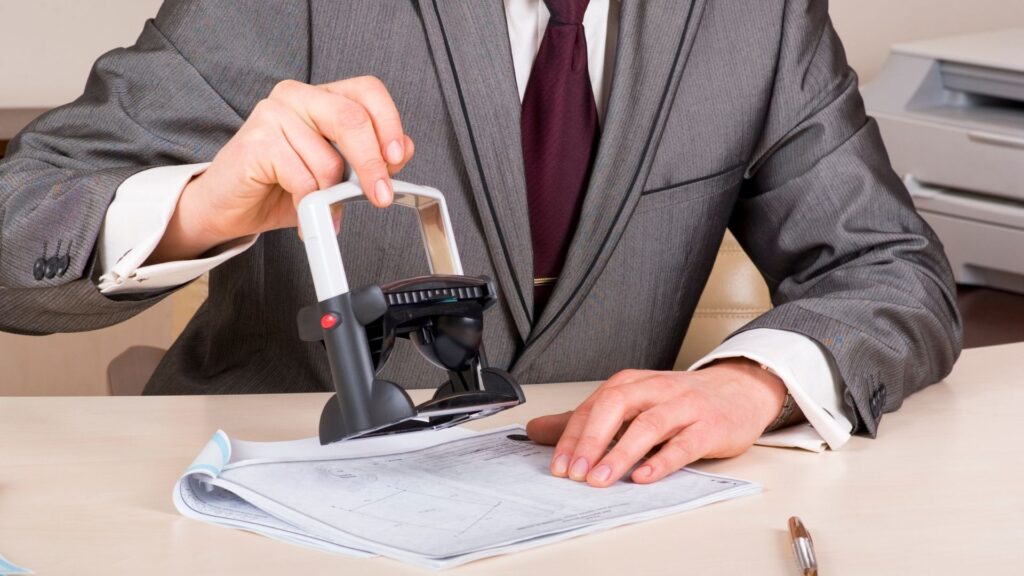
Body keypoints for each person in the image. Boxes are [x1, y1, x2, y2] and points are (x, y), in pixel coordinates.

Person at [0, 0, 961, 488]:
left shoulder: (757, 17)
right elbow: (16, 225)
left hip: (592, 518)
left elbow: (892, 268)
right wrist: (206, 207)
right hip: (281, 518)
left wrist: (751, 384)